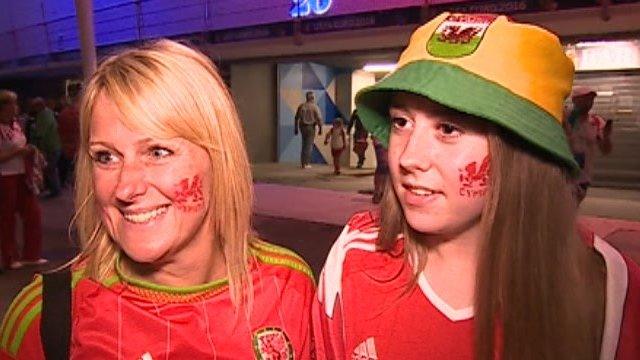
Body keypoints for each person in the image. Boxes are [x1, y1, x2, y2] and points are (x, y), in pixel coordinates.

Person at [313, 12, 640, 359]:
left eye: (449, 129)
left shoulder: (610, 290)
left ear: (520, 152)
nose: (409, 157)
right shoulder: (353, 258)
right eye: (401, 121)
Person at [0, 40, 314, 359]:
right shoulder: (46, 317)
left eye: (158, 152)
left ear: (220, 159)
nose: (125, 188)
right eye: (106, 156)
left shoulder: (289, 286)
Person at [0, 90, 47, 271]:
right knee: (7, 219)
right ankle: (9, 257)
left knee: (33, 214)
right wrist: (18, 152)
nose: (16, 107)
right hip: (5, 177)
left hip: (22, 175)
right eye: (11, 104)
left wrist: (29, 150)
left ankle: (31, 254)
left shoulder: (16, 125)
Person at [565, 86, 613, 203]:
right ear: (575, 100)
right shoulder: (565, 116)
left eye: (591, 99)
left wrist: (606, 137)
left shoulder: (596, 122)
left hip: (583, 177)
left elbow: (605, 150)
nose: (589, 103)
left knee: (573, 208)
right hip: (563, 174)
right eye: (585, 99)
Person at [29, 97, 62, 197]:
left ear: (39, 106)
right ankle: (55, 189)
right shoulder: (48, 112)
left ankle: (55, 190)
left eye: (34, 107)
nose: (33, 109)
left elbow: (40, 133)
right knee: (52, 168)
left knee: (50, 169)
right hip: (55, 145)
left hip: (51, 147)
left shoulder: (43, 115)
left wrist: (33, 131)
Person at [57, 83, 81, 188]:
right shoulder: (78, 113)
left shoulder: (64, 113)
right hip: (78, 149)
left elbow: (60, 133)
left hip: (70, 149)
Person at [294, 91, 323, 168]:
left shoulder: (301, 106)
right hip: (311, 127)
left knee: (304, 144)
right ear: (312, 98)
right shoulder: (315, 107)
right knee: (309, 145)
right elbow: (319, 119)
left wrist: (296, 128)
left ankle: (303, 162)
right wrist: (320, 129)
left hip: (302, 127)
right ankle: (306, 163)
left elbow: (296, 118)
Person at [371, 135, 388, 204]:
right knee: (383, 166)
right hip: (381, 141)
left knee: (385, 167)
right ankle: (378, 192)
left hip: (383, 141)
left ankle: (380, 192)